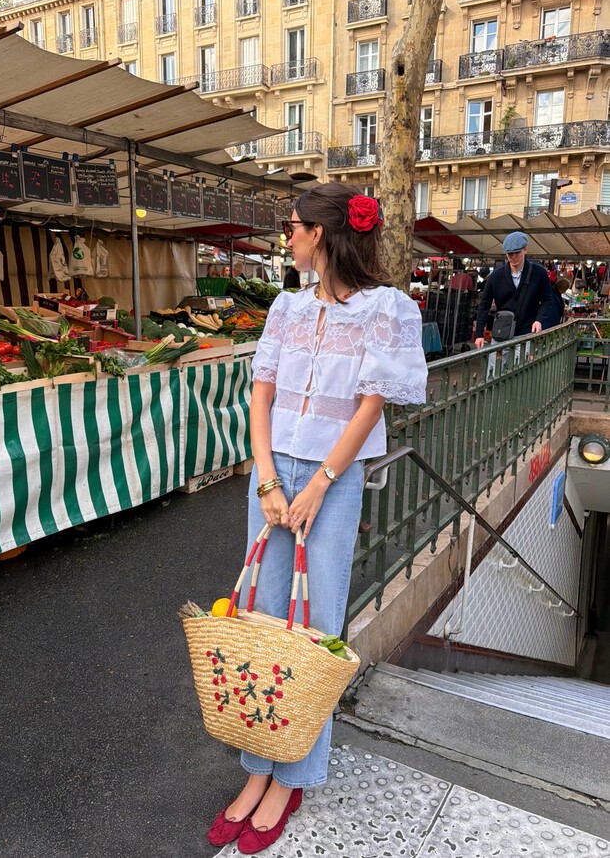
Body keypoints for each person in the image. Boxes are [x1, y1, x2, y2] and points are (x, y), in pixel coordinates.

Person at [207, 183, 428, 854]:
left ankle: (293, 775)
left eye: (293, 226)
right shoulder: (286, 306)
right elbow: (261, 395)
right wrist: (267, 478)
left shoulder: (386, 309)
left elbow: (371, 404)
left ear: (323, 234)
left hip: (332, 478)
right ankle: (258, 766)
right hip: (273, 473)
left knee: (316, 629)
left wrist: (320, 485)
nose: (288, 237)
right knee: (262, 619)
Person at [474, 231, 553, 349]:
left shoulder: (539, 272)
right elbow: (484, 305)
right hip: (502, 333)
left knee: (525, 362)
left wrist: (539, 320)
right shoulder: (495, 276)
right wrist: (479, 334)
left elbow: (547, 299)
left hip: (527, 333)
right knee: (495, 362)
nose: (514, 256)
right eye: (510, 253)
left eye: (517, 252)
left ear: (525, 249)